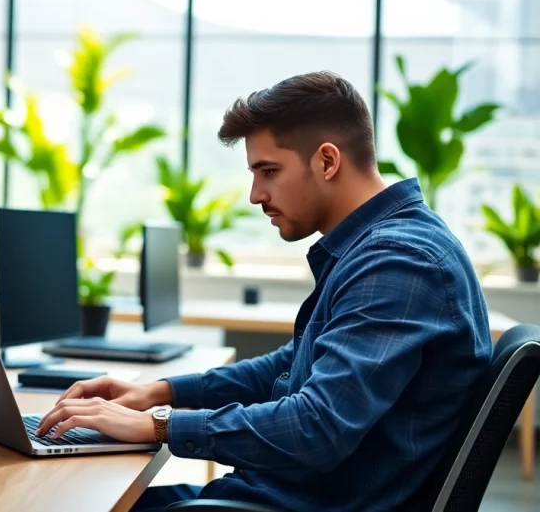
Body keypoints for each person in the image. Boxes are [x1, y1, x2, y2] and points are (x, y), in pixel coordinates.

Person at [35, 72, 493, 512]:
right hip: (286, 497)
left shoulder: (397, 262)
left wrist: (157, 425)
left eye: (269, 171)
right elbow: (291, 364)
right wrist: (158, 393)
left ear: (327, 161)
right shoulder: (382, 247)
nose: (256, 195)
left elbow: (318, 426)